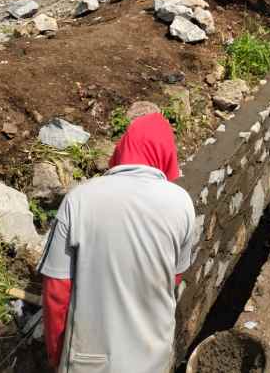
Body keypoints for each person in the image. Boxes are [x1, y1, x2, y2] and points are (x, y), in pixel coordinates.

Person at [38, 113, 195, 373]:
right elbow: (174, 278)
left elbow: (56, 290)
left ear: (122, 150)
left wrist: (56, 353)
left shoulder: (80, 200)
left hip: (90, 362)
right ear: (166, 156)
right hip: (152, 358)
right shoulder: (181, 203)